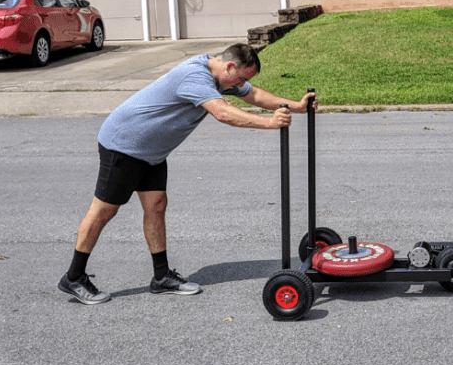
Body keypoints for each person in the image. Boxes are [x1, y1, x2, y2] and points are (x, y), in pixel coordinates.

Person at [58, 43, 318, 304]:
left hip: (151, 151)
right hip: (124, 145)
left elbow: (255, 96)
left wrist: (296, 106)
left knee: (156, 205)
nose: (241, 85)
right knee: (104, 210)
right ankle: (74, 277)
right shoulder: (195, 76)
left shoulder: (222, 78)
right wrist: (269, 122)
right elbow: (222, 113)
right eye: (241, 78)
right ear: (229, 66)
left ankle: (161, 277)